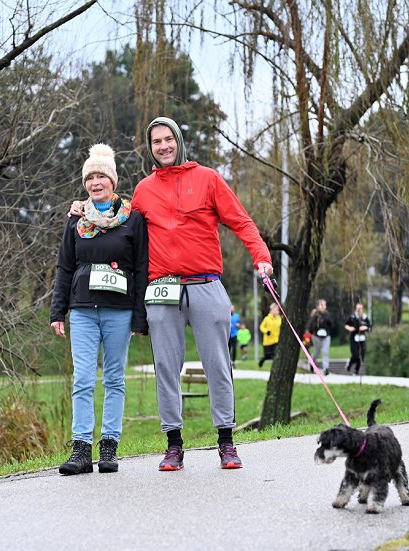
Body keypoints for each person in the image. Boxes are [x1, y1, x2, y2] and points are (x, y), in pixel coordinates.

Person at [71, 117, 272, 471]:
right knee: (165, 367)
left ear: (178, 141)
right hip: (163, 289)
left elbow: (241, 221)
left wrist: (262, 257)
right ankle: (174, 445)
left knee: (217, 364)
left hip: (206, 283)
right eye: (156, 142)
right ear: (150, 148)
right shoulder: (144, 191)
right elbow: (115, 222)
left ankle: (226, 441)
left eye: (168, 139)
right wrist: (82, 209)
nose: (163, 146)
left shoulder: (208, 179)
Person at [50, 144, 149, 476]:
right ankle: (80, 449)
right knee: (82, 379)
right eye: (90, 178)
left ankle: (109, 446)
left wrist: (139, 316)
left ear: (113, 181)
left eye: (101, 176)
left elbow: (141, 268)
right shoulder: (76, 220)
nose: (95, 182)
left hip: (119, 311)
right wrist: (57, 311)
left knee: (115, 379)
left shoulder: (132, 219)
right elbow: (65, 267)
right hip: (82, 310)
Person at [306, 299, 334, 374]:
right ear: (318, 306)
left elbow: (331, 324)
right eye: (322, 305)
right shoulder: (315, 315)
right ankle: (312, 362)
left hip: (326, 336)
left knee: (325, 351)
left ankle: (325, 368)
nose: (324, 306)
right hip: (316, 337)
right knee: (317, 352)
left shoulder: (327, 315)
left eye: (324, 305)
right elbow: (310, 326)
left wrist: (327, 320)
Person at [345, 302, 372, 375]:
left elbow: (370, 327)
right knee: (355, 355)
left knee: (361, 355)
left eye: (360, 308)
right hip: (354, 338)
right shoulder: (352, 317)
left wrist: (366, 327)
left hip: (362, 338)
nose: (359, 310)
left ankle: (356, 370)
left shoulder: (365, 318)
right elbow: (346, 325)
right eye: (358, 308)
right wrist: (349, 328)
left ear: (362, 309)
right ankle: (349, 364)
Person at [258, 303, 282, 368]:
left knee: (275, 354)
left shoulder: (279, 319)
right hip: (267, 341)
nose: (276, 311)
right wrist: (266, 331)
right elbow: (261, 327)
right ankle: (262, 359)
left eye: (277, 310)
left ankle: (276, 367)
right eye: (275, 310)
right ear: (271, 310)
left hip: (276, 340)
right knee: (267, 355)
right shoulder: (267, 319)